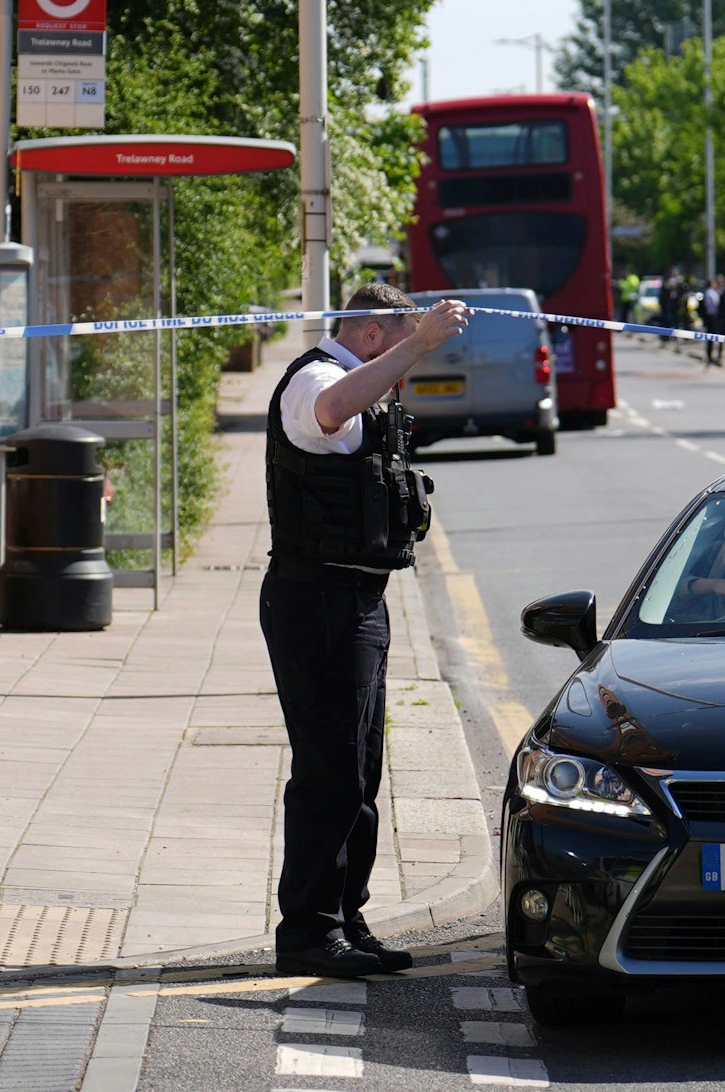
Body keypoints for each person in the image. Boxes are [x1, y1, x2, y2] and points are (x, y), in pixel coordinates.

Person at [263, 284, 471, 979]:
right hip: (315, 595)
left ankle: (345, 918)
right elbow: (330, 412)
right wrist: (421, 342)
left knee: (362, 768)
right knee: (330, 767)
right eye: (401, 343)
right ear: (376, 333)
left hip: (356, 596)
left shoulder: (358, 377)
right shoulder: (315, 380)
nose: (407, 365)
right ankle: (309, 929)